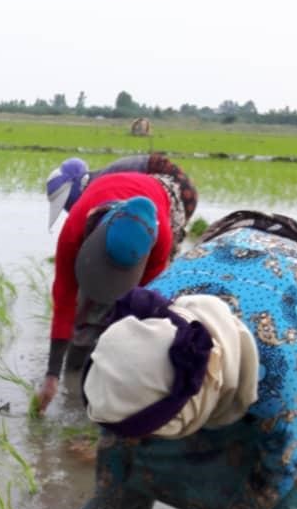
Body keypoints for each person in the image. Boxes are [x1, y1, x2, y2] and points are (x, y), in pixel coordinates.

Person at [42, 211, 297, 509]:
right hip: (228, 251)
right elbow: (117, 431)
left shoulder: (280, 379)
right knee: (139, 443)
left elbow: (279, 470)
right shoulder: (147, 319)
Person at [36, 153, 198, 414]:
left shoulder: (160, 239)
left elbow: (147, 302)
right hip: (115, 196)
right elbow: (64, 297)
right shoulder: (74, 229)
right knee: (84, 315)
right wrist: (52, 374)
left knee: (132, 313)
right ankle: (77, 363)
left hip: (171, 195)